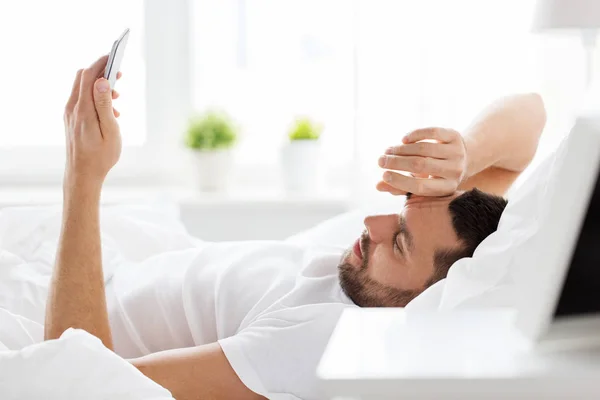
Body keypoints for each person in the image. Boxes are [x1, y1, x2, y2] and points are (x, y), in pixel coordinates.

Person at [44, 55, 546, 400]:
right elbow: (532, 114)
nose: (372, 220)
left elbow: (78, 381)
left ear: (426, 301)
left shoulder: (325, 340)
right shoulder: (467, 247)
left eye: (398, 241)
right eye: (401, 210)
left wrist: (82, 176)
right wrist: (467, 154)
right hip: (128, 265)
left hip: (79, 304)